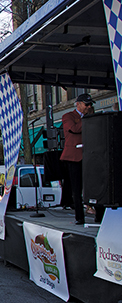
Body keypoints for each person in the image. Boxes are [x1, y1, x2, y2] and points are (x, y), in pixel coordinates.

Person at [61, 93, 95, 225]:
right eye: (86, 105)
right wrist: (87, 118)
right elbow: (74, 129)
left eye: (90, 104)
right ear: (78, 104)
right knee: (76, 187)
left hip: (89, 155)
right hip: (74, 157)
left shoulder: (89, 117)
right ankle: (79, 216)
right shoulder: (68, 117)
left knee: (93, 185)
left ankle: (95, 211)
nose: (89, 107)